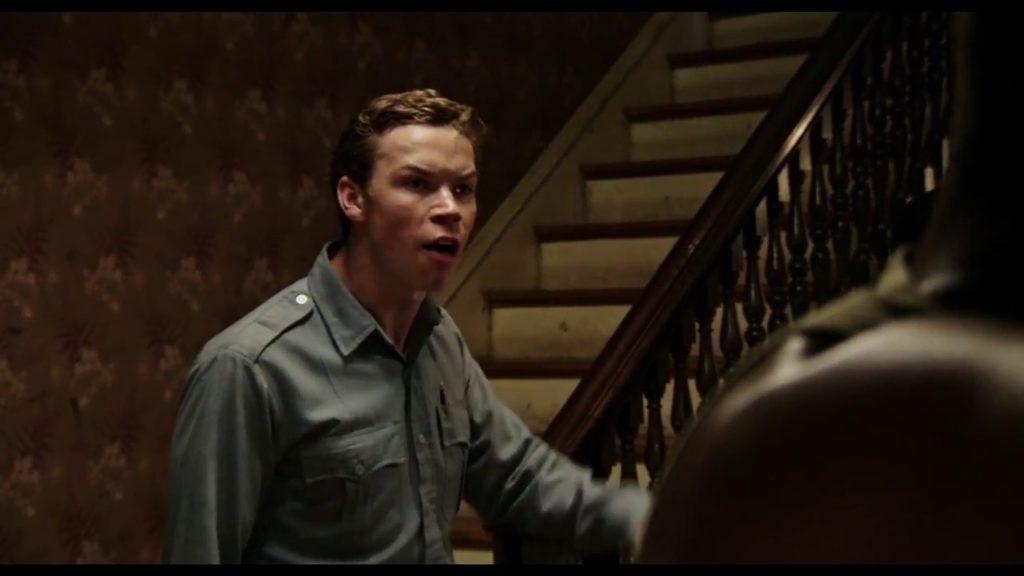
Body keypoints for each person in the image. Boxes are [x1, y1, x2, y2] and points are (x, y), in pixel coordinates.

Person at [162, 89, 652, 564]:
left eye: (463, 189)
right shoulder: (251, 367)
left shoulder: (439, 340)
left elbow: (519, 476)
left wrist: (648, 517)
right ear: (353, 199)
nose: (450, 209)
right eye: (417, 184)